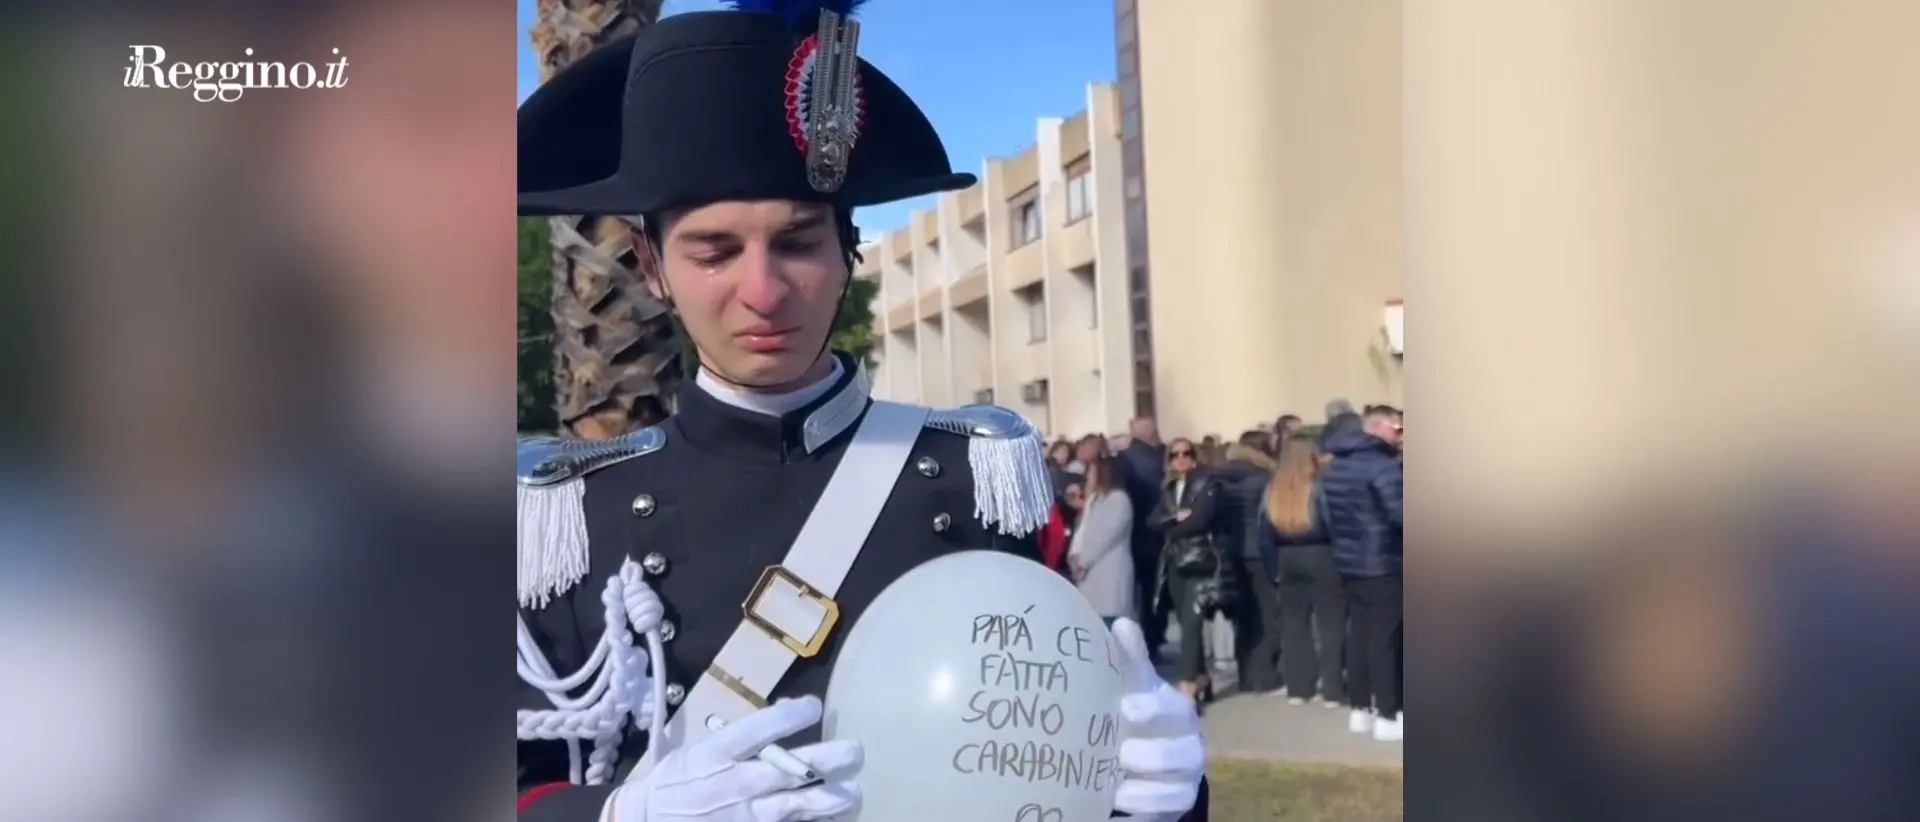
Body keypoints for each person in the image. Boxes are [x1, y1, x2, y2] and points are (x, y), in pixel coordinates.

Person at [512, 5, 1209, 821]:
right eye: (714, 251)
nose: (764, 292)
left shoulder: (976, 479)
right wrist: (614, 816)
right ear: (651, 266)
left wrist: (1164, 796)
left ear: (849, 248)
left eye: (799, 242)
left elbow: (1052, 752)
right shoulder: (566, 516)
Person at [1321, 405, 1405, 742]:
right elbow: (1401, 513)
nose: (1402, 436)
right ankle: (1387, 712)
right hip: (1384, 561)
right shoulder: (1383, 468)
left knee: (1359, 635)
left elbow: (1326, 516)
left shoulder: (1335, 467)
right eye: (1398, 429)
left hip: (1348, 561)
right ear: (1377, 428)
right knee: (1385, 639)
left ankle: (1360, 708)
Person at [1252, 436, 1344, 706]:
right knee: (1330, 624)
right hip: (1321, 553)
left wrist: (1273, 569)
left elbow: (1263, 532)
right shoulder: (1318, 486)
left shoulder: (1273, 489)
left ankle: (1299, 687)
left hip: (1285, 555)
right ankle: (1332, 688)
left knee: (1294, 625)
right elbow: (1331, 523)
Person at [1149, 437, 1219, 702]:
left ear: (1195, 455)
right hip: (1175, 560)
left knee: (1192, 621)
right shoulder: (1169, 487)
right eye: (1174, 454)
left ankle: (1188, 683)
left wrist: (1174, 528)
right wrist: (1173, 519)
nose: (1180, 458)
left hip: (1200, 558)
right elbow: (1153, 521)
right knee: (1185, 619)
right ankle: (1202, 677)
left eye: (1186, 453)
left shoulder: (1207, 483)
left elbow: (1201, 520)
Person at [1210, 431, 1279, 693]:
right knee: (1267, 614)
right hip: (1260, 552)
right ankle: (1264, 675)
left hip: (1230, 551)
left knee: (1242, 615)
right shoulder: (1265, 478)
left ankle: (1245, 674)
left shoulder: (1219, 478)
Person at [1120, 416, 1169, 654]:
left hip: (1135, 535)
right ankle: (1152, 639)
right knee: (1151, 591)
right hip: (1152, 534)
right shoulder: (1152, 460)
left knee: (1140, 591)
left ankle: (1147, 639)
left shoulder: (1126, 460)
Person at [1068, 454, 1136, 626]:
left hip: (1108, 570)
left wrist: (1083, 561)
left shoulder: (1119, 500)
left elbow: (1103, 537)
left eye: (1091, 473)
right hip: (1087, 572)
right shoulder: (1094, 499)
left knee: (1110, 621)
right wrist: (1074, 555)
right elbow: (1083, 530)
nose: (1087, 477)